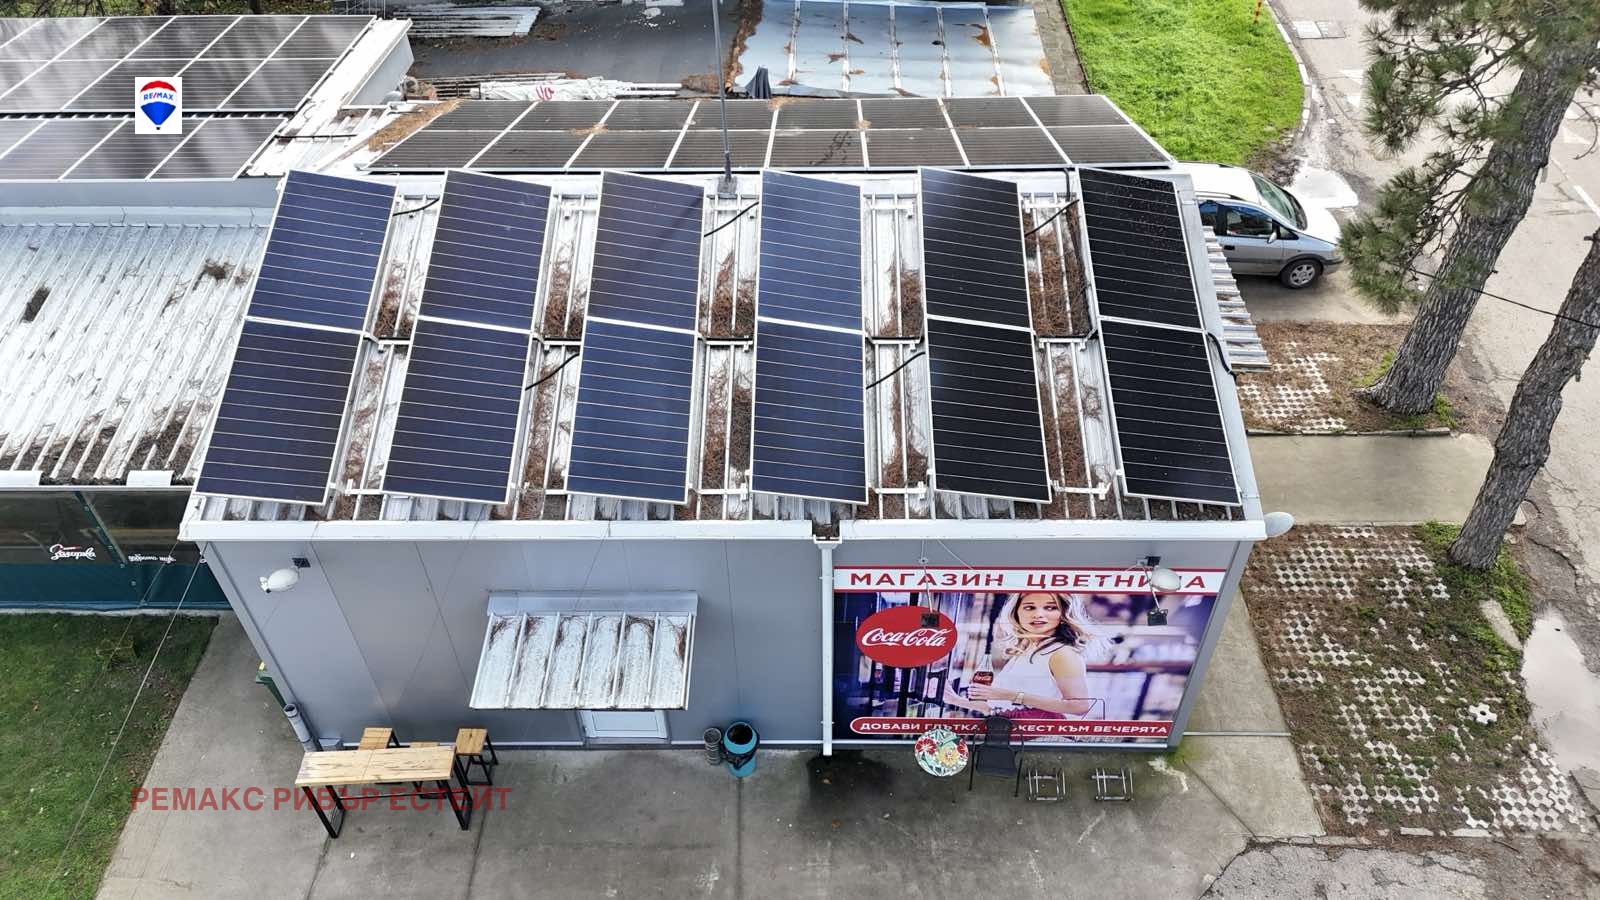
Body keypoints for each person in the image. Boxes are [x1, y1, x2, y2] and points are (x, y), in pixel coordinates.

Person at [942, 592, 1104, 719]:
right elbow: (1003, 708)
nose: (1038, 614)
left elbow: (1079, 706)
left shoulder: (1062, 654)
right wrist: (955, 700)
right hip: (1010, 736)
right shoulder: (1025, 651)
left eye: (1050, 608)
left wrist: (1009, 695)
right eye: (1029, 607)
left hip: (1039, 741)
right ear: (1016, 614)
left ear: (1062, 614)